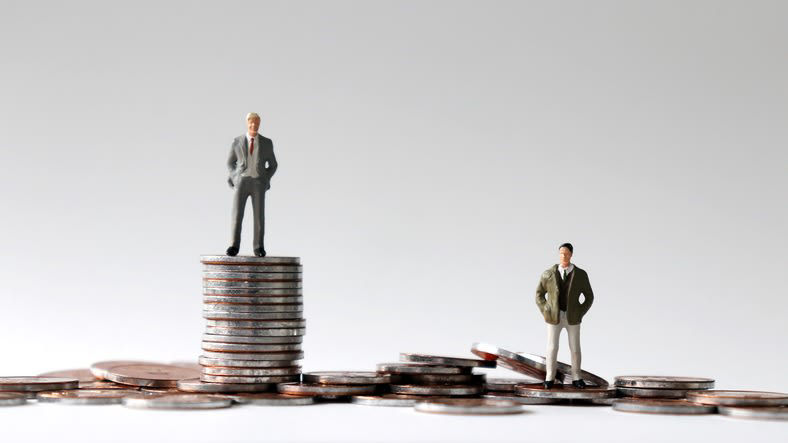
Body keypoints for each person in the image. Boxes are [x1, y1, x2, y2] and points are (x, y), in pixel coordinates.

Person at [535, 243, 594, 388]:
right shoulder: (548, 274)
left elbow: (589, 296)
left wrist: (580, 311)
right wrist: (546, 309)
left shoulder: (580, 274)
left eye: (566, 254)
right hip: (554, 317)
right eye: (561, 254)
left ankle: (576, 377)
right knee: (552, 347)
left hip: (572, 317)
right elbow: (539, 294)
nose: (564, 256)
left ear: (571, 255)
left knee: (575, 348)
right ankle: (549, 377)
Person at [226, 112, 278, 257]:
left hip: (258, 183)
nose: (253, 125)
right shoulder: (236, 142)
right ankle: (233, 246)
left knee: (259, 216)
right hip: (241, 182)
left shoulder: (267, 143)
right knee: (237, 215)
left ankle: (258, 247)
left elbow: (273, 165)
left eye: (256, 123)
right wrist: (235, 177)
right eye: (251, 123)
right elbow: (230, 163)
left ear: (259, 124)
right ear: (247, 124)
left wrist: (265, 179)